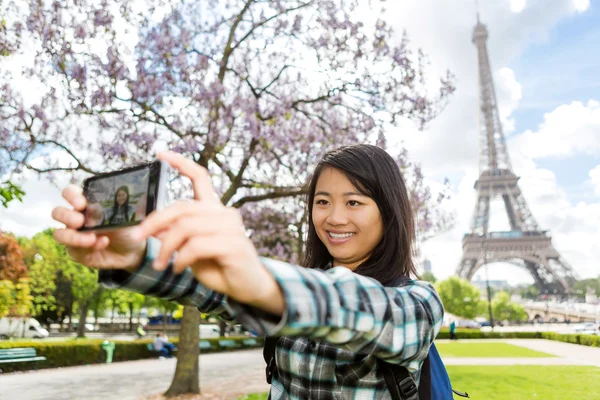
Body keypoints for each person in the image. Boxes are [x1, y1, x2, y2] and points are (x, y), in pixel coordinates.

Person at [51, 145, 444, 398]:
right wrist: (132, 254)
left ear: (388, 212)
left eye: (354, 202)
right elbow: (206, 283)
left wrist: (259, 281)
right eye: (322, 201)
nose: (334, 217)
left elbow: (359, 309)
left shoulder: (419, 303)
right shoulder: (282, 287)